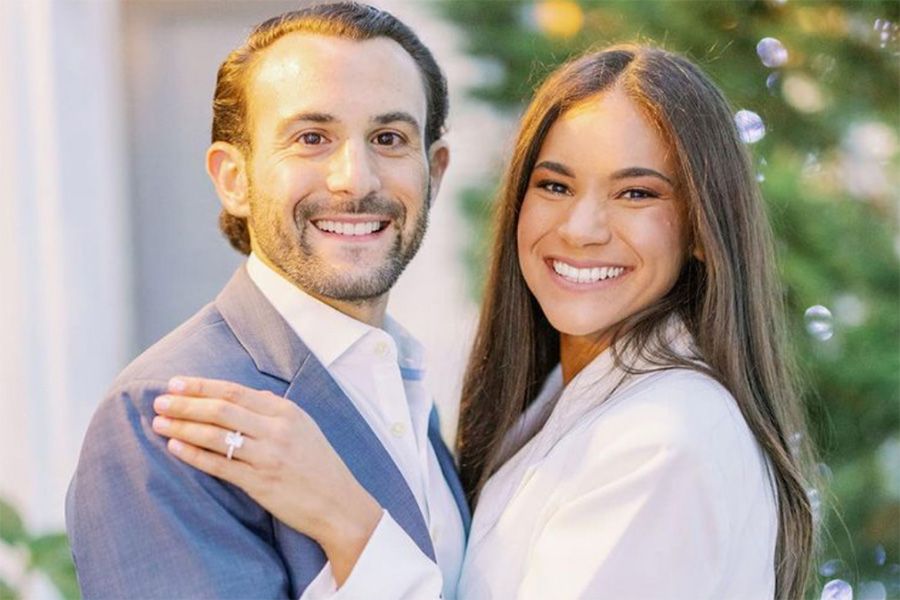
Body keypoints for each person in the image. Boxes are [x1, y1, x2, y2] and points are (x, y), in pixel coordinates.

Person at [154, 45, 816, 598]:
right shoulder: (554, 407)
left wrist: (347, 521)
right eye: (554, 186)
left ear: (703, 227)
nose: (581, 229)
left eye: (636, 193)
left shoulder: (665, 443)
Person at [65, 3, 470, 598]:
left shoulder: (403, 382)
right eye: (311, 138)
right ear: (234, 178)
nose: (355, 179)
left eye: (389, 138)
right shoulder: (162, 416)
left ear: (434, 173)